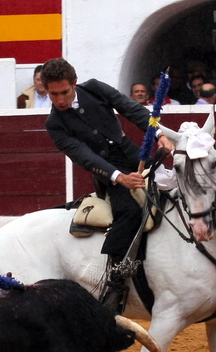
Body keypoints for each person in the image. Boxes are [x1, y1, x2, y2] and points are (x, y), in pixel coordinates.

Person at [40, 57, 175, 311]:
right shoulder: (55, 124)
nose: (60, 100)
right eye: (53, 94)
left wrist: (159, 134)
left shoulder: (94, 88)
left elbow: (130, 108)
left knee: (175, 193)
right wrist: (119, 178)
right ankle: (115, 282)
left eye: (64, 92)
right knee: (130, 212)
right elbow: (84, 156)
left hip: (135, 156)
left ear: (75, 84)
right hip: (108, 175)